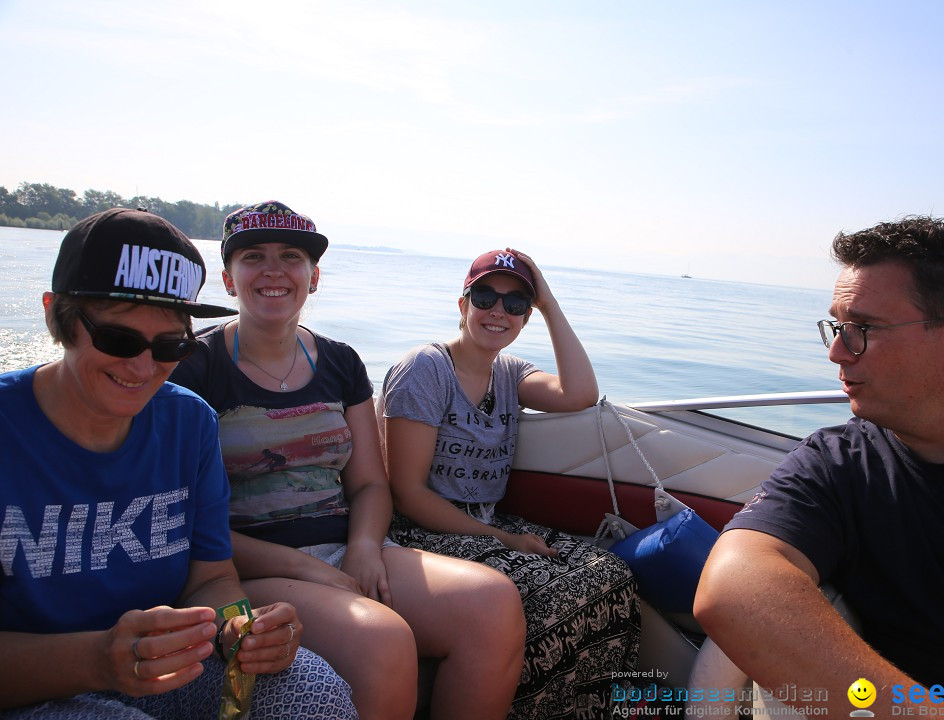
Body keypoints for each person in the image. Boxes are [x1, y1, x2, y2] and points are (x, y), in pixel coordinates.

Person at [694, 216, 944, 714]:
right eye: (836, 327)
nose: (837, 351)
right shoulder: (837, 467)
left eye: (862, 329)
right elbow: (734, 589)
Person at [169, 201, 525, 720]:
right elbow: (182, 520)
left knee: (493, 602)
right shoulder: (194, 367)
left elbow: (369, 486)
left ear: (313, 278)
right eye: (253, 256)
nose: (273, 269)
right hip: (243, 566)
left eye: (290, 256)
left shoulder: (340, 361)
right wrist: (304, 567)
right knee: (380, 638)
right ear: (227, 279)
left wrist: (362, 547)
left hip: (341, 546)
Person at [0, 208, 356, 719]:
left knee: (314, 691)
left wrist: (240, 627)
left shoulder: (189, 421)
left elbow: (211, 578)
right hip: (36, 685)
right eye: (118, 339)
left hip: (165, 669)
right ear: (55, 314)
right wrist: (97, 660)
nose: (143, 368)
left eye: (171, 345)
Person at [378, 248, 641, 720]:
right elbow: (408, 493)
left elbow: (580, 393)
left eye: (516, 304)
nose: (499, 311)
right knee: (547, 593)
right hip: (423, 534)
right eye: (485, 297)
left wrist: (549, 302)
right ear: (463, 306)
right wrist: (505, 539)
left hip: (488, 524)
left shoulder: (511, 372)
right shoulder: (425, 369)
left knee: (611, 574)